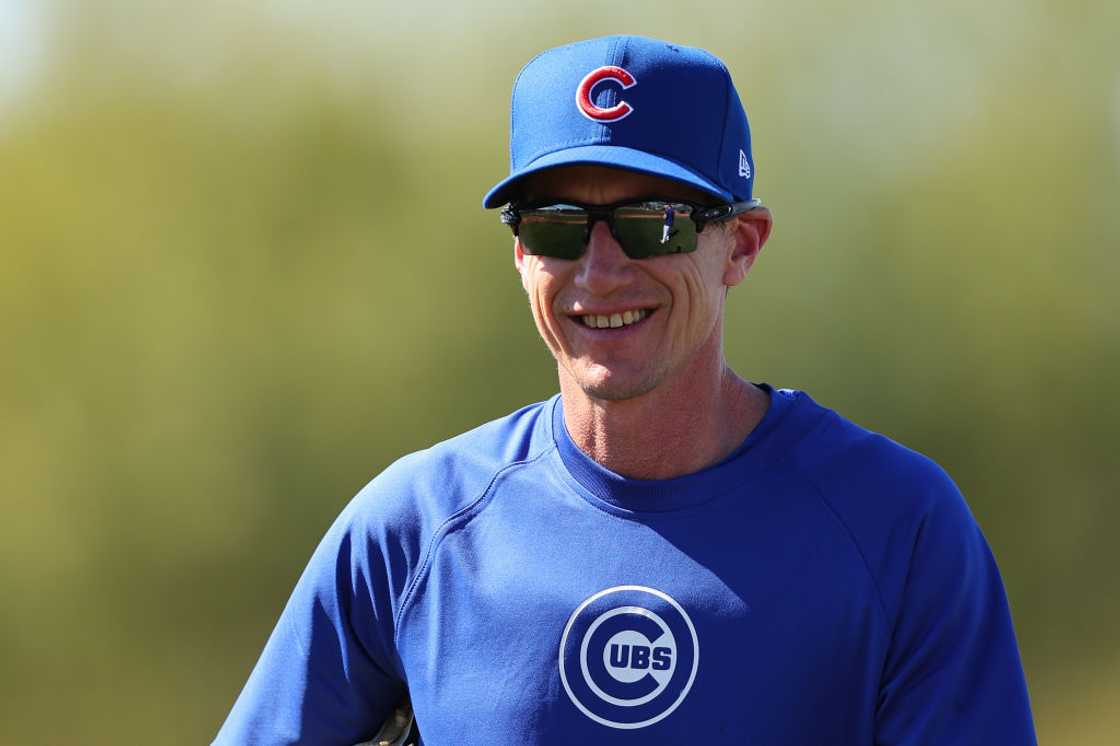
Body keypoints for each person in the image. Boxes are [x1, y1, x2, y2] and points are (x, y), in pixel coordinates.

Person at [214, 35, 1037, 744]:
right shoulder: (414, 531)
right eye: (555, 224)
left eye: (655, 222)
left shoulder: (897, 527)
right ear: (520, 255)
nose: (600, 273)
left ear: (741, 245)